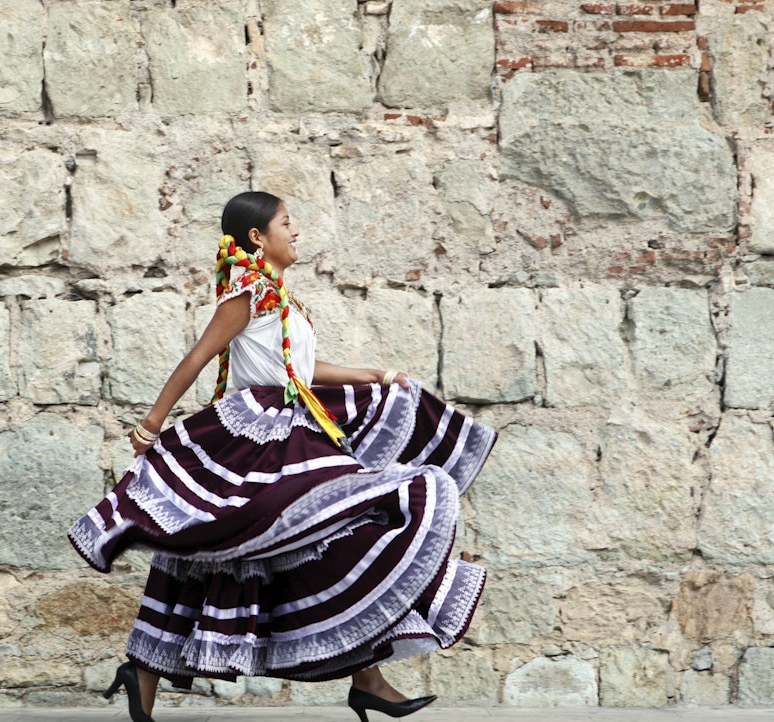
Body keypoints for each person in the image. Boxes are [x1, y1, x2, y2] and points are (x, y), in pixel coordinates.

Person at [69, 191, 497, 721]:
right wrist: (152, 423)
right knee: (262, 540)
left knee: (283, 543)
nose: (296, 232)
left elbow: (295, 370)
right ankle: (151, 671)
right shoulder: (246, 291)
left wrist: (373, 375)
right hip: (258, 436)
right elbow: (199, 357)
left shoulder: (278, 296)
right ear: (258, 238)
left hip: (293, 426)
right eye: (287, 224)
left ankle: (363, 678)